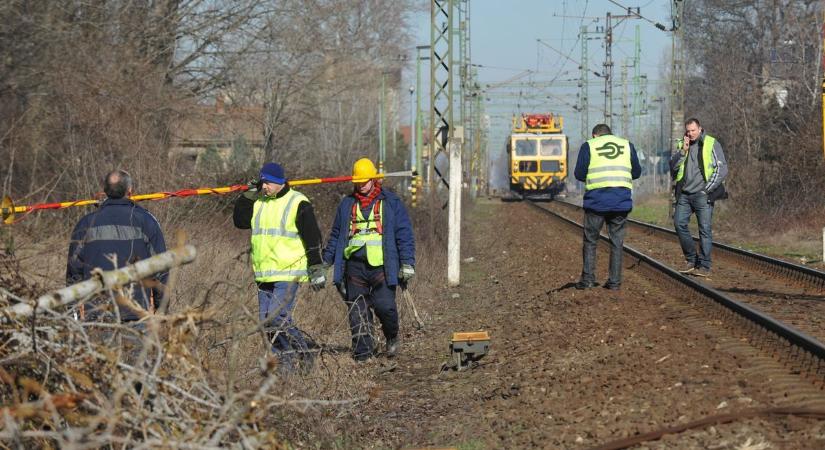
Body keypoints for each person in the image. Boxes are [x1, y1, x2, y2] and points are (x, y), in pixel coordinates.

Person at [233, 162, 326, 373]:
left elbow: (313, 237)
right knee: (267, 322)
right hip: (264, 272)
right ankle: (286, 363)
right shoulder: (259, 203)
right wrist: (247, 196)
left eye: (267, 183)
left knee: (277, 316)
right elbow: (239, 221)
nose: (263, 186)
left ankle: (302, 351)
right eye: (262, 182)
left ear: (279, 182)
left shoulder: (298, 202)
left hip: (289, 271)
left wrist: (316, 267)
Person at [323, 158, 415, 361]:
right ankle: (363, 354)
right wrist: (325, 263)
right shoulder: (347, 204)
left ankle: (391, 336)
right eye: (358, 181)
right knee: (358, 311)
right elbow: (336, 236)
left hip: (383, 266)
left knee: (385, 306)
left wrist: (407, 263)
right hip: (354, 267)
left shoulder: (391, 202)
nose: (362, 185)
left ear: (374, 179)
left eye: (365, 180)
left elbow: (404, 233)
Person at [67, 169, 167, 321]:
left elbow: (74, 273)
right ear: (130, 191)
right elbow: (161, 270)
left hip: (96, 316)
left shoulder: (86, 224)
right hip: (138, 314)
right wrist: (162, 309)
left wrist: (73, 314)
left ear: (105, 191)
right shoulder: (147, 222)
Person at [573, 124, 642, 291]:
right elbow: (637, 172)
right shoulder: (627, 145)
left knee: (591, 240)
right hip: (620, 202)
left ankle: (588, 280)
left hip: (596, 201)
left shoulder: (589, 145)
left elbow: (579, 174)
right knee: (617, 242)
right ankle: (614, 282)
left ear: (595, 135)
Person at [670, 118, 728, 277]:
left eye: (693, 130)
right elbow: (672, 168)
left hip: (703, 194)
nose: (690, 133)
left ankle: (705, 265)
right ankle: (691, 259)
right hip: (685, 194)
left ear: (700, 129)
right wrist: (683, 152)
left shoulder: (711, 143)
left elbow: (722, 169)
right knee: (679, 223)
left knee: (705, 230)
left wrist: (706, 190)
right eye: (688, 131)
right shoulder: (682, 144)